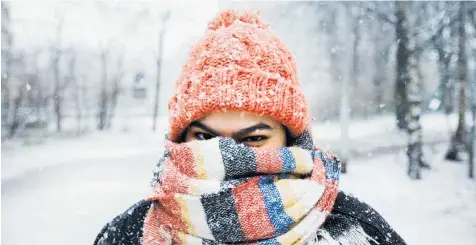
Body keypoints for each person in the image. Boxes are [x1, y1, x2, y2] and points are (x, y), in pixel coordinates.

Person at [94, 10, 406, 245]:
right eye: (204, 137)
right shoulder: (128, 233)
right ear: (181, 138)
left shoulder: (356, 231)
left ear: (291, 140)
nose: (225, 154)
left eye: (254, 138)